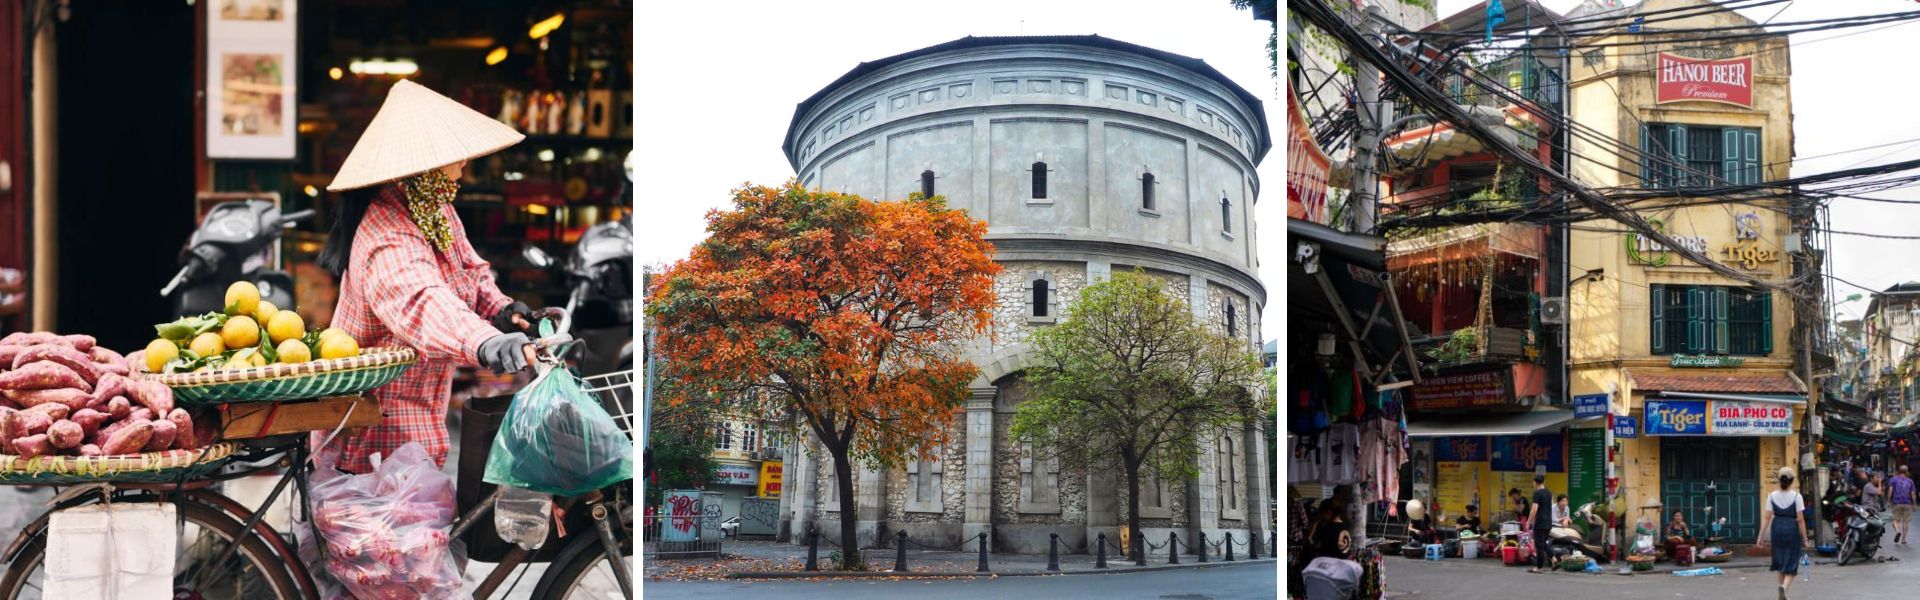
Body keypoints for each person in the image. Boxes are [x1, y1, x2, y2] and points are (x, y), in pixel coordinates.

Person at [313, 79, 548, 474]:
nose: (463, 165)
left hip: (419, 416)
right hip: (375, 428)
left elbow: (469, 272)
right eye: (455, 157)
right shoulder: (385, 234)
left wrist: (502, 311)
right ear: (423, 168)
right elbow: (422, 302)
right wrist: (485, 341)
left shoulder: (435, 211)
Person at [1761, 466, 1810, 600]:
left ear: (1779, 480)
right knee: (1793, 560)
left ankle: (1783, 593)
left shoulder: (1771, 496)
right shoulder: (1796, 496)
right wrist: (1805, 538)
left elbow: (1766, 518)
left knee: (1780, 560)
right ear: (1792, 480)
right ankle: (1784, 587)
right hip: (1791, 528)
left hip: (1776, 528)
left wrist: (1760, 537)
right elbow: (1800, 520)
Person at [1527, 475, 1553, 573]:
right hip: (1548, 522)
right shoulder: (1548, 493)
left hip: (1540, 522)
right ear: (1543, 482)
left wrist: (1529, 522)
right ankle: (1554, 559)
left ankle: (1539, 567)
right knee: (1543, 543)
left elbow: (1534, 510)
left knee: (1539, 545)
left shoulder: (1537, 493)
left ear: (1535, 482)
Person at [1890, 466, 1915, 545]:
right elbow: (1913, 493)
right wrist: (1914, 504)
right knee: (1906, 522)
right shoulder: (1910, 481)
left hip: (1896, 503)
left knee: (1895, 520)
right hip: (1907, 503)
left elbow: (1890, 490)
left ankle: (1898, 531)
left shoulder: (1894, 479)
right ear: (1907, 471)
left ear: (1898, 471)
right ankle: (1903, 539)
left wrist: (1888, 500)